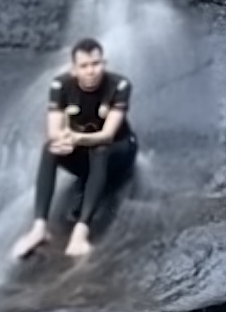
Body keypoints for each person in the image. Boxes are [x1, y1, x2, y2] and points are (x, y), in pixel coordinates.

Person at [10, 37, 136, 263]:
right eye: (84, 66)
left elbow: (107, 134)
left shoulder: (119, 85)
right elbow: (54, 130)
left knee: (99, 148)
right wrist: (61, 141)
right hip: (85, 153)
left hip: (120, 151)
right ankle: (39, 228)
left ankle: (81, 231)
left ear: (104, 63)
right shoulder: (60, 86)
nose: (91, 71)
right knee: (50, 149)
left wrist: (76, 138)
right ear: (74, 69)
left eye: (96, 64)